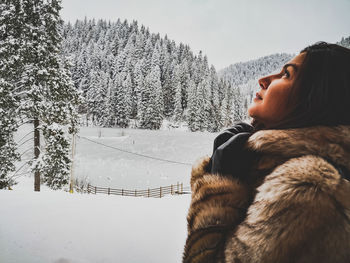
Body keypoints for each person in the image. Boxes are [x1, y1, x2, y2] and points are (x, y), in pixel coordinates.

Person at [183, 42, 350, 263]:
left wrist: (220, 189)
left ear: (316, 99)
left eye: (286, 75)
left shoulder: (308, 190)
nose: (263, 79)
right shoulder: (289, 172)